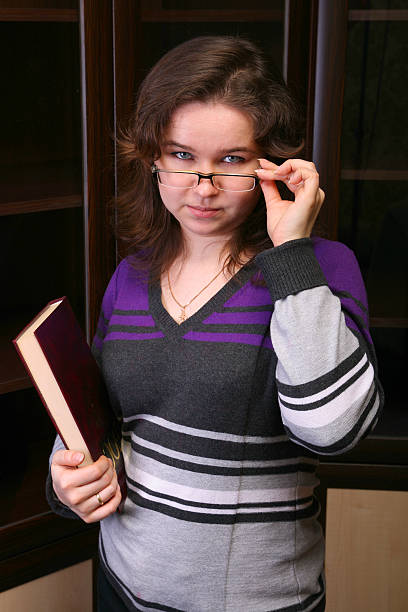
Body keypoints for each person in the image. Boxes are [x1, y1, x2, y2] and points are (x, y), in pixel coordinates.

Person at [46, 36, 383, 611]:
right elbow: (99, 416)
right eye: (181, 155)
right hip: (120, 583)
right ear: (151, 157)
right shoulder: (132, 274)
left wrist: (290, 250)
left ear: (272, 165)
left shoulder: (316, 269)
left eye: (231, 160)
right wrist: (68, 476)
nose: (203, 186)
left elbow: (335, 431)